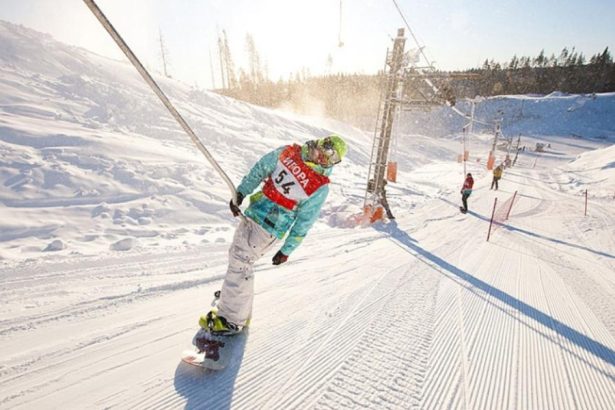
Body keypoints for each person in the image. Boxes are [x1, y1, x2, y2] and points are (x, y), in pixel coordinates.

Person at [199, 134, 348, 336]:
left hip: (271, 226)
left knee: (241, 261)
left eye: (332, 160)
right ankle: (235, 300)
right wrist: (241, 193)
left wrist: (287, 250)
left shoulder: (319, 185)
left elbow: (305, 222)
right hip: (254, 212)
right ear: (322, 144)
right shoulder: (289, 153)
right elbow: (261, 169)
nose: (324, 160)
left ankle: (232, 319)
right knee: (237, 257)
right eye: (326, 153)